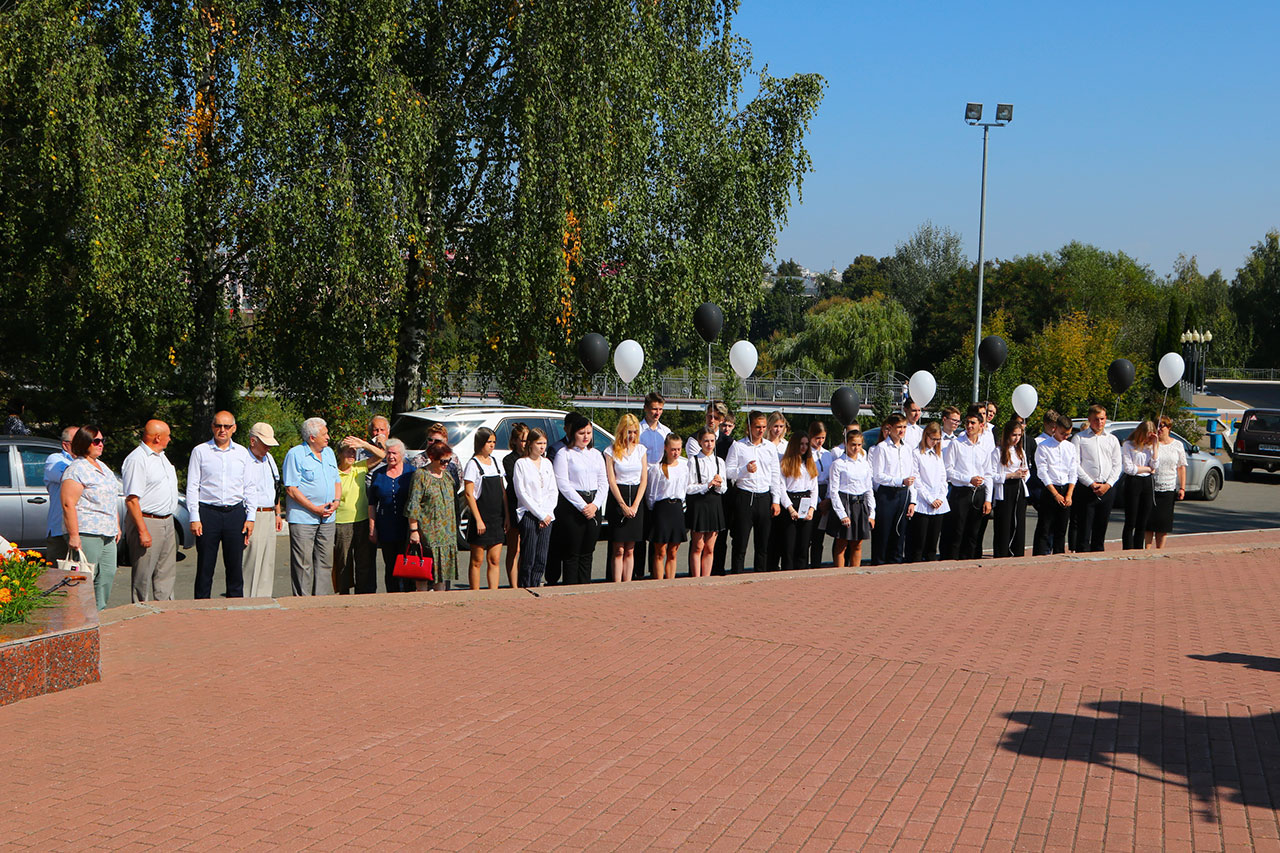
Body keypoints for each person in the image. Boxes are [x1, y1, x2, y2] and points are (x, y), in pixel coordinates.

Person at [187, 411, 254, 599]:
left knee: (235, 566)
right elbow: (192, 486)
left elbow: (249, 487)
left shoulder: (242, 453)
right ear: (212, 427)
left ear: (234, 428)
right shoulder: (200, 451)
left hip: (235, 513)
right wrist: (194, 517)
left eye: (226, 426)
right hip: (208, 513)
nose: (222, 430)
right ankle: (201, 608)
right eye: (218, 426)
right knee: (205, 567)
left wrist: (251, 518)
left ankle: (235, 609)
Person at [61, 425, 120, 609]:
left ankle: (99, 614)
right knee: (85, 578)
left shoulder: (103, 467)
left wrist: (116, 525)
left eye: (102, 440)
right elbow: (68, 503)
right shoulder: (76, 469)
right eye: (96, 441)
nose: (101, 444)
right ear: (84, 443)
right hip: (87, 531)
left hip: (108, 532)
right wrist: (74, 535)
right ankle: (80, 618)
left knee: (107, 574)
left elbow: (111, 498)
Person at [122, 419, 179, 602]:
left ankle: (164, 612)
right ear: (157, 438)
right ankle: (141, 611)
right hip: (148, 521)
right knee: (143, 573)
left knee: (166, 570)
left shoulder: (161, 456)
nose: (170, 439)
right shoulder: (137, 460)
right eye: (168, 435)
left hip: (167, 520)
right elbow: (132, 500)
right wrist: (143, 530)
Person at [283, 417, 341, 596]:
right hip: (303, 518)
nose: (328, 437)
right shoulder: (295, 454)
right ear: (312, 438)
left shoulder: (329, 453)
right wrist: (314, 508)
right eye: (324, 434)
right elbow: (291, 489)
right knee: (303, 563)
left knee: (325, 561)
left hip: (328, 518)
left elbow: (336, 481)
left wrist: (336, 502)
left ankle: (321, 602)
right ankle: (303, 602)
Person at [553, 412, 608, 585]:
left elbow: (603, 482)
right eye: (581, 433)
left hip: (593, 506)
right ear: (572, 433)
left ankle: (585, 587)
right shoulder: (564, 454)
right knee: (572, 553)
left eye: (589, 433)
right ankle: (569, 588)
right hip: (573, 507)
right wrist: (582, 505)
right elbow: (562, 483)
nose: (586, 437)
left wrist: (595, 505)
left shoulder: (596, 454)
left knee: (587, 552)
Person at [725, 411, 781, 573]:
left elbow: (775, 474)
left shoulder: (770, 447)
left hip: (764, 497)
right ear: (749, 427)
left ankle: (760, 577)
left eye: (764, 427)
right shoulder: (738, 446)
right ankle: (737, 576)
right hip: (744, 496)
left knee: (763, 544)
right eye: (757, 427)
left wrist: (776, 500)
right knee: (740, 543)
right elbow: (728, 472)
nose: (761, 430)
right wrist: (744, 470)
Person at [941, 406, 992, 561]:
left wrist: (988, 499)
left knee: (973, 533)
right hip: (961, 493)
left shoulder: (984, 447)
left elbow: (988, 474)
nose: (969, 426)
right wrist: (967, 478)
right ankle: (953, 562)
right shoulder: (956, 444)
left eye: (973, 423)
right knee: (957, 532)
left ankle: (969, 564)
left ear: (981, 426)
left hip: (978, 494)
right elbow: (948, 470)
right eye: (967, 423)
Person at [405, 441, 459, 591]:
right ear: (431, 457)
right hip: (427, 534)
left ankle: (440, 605)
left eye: (448, 460)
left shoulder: (447, 476)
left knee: (441, 576)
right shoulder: (421, 475)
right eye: (442, 461)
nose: (446, 464)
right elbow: (414, 504)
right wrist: (414, 530)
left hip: (446, 534)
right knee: (423, 573)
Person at [462, 427, 509, 590]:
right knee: (477, 560)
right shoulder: (473, 465)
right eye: (489, 442)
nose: (492, 445)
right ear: (481, 442)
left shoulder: (496, 462)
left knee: (494, 559)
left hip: (497, 518)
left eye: (494, 442)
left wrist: (507, 516)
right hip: (480, 519)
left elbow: (503, 491)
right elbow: (469, 494)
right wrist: (478, 520)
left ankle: (493, 594)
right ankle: (475, 594)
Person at [1071, 404, 1122, 553]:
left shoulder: (1112, 439)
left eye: (1102, 419)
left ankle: (1099, 557)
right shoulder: (1079, 438)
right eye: (1096, 419)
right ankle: (1082, 558)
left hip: (1106, 489)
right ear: (1089, 419)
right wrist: (1090, 483)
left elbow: (1117, 465)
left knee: (1101, 528)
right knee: (1084, 528)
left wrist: (1108, 484)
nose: (1099, 422)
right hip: (1087, 489)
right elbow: (1075, 464)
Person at [367, 438, 417, 592]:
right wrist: (372, 528)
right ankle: (392, 597)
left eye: (394, 453)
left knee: (408, 565)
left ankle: (409, 597)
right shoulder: (378, 474)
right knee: (391, 567)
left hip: (406, 526)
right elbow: (372, 503)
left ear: (402, 454)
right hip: (386, 527)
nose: (391, 456)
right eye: (388, 453)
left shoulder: (412, 472)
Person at [605, 413, 647, 582]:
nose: (632, 436)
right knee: (618, 548)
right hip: (618, 497)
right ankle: (616, 583)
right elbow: (611, 480)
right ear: (621, 431)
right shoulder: (610, 451)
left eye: (635, 432)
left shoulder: (641, 450)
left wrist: (636, 504)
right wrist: (622, 505)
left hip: (636, 496)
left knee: (630, 548)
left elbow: (644, 479)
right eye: (629, 432)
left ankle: (628, 583)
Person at [868, 414, 915, 565]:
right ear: (890, 428)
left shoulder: (907, 448)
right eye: (899, 427)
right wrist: (899, 481)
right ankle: (879, 562)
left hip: (903, 494)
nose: (902, 431)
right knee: (883, 533)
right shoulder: (882, 448)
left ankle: (895, 562)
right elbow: (878, 476)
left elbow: (911, 475)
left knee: (899, 532)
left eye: (904, 427)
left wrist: (912, 500)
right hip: (887, 494)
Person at [513, 428, 558, 588]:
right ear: (530, 444)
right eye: (539, 443)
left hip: (547, 515)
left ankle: (536, 583)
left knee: (541, 556)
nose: (542, 447)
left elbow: (553, 490)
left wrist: (546, 514)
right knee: (529, 556)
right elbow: (522, 492)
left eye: (544, 443)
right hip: (529, 514)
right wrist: (538, 514)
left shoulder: (547, 463)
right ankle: (526, 586)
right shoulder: (521, 463)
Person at [243, 423, 282, 599]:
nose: (268, 448)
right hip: (253, 513)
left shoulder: (269, 459)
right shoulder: (244, 460)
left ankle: (264, 597)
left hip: (268, 512)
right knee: (251, 559)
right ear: (253, 441)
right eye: (264, 444)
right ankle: (246, 599)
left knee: (268, 560)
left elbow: (276, 486)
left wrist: (277, 512)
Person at [828, 427, 875, 568]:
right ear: (846, 443)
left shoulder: (865, 464)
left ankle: (855, 574)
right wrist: (842, 514)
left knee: (857, 544)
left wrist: (872, 513)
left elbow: (868, 489)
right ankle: (839, 575)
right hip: (844, 503)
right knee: (841, 544)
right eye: (853, 444)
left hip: (860, 504)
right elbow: (833, 491)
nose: (856, 448)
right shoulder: (838, 464)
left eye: (859, 445)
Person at [1032, 414, 1078, 556]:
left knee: (1061, 528)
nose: (1065, 437)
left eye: (1068, 434)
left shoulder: (1070, 447)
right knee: (1045, 527)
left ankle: (1059, 555)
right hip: (1050, 489)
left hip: (1065, 488)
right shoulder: (1043, 446)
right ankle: (1040, 555)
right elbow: (1043, 472)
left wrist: (1069, 493)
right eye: (1063, 433)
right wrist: (1055, 494)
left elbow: (1073, 471)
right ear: (1055, 429)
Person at [333, 443, 375, 594]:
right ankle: (344, 594)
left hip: (362, 520)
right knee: (344, 562)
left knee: (363, 561)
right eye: (348, 452)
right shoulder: (333, 471)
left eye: (354, 452)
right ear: (339, 453)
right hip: (341, 522)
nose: (352, 455)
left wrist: (363, 444)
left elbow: (382, 455)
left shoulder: (360, 467)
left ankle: (361, 594)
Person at [636, 393, 670, 579]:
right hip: (642, 483)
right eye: (654, 409)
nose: (657, 413)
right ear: (646, 409)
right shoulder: (638, 431)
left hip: (660, 486)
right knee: (641, 531)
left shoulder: (666, 432)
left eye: (660, 409)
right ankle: (638, 571)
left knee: (656, 532)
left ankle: (653, 571)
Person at [685, 426, 727, 578]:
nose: (709, 444)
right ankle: (696, 578)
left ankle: (706, 578)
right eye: (706, 441)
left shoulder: (719, 461)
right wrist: (707, 485)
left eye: (711, 441)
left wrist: (719, 484)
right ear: (700, 442)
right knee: (698, 545)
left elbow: (724, 489)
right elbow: (688, 488)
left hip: (714, 503)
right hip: (699, 504)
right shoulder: (693, 461)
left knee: (710, 547)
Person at [775, 431, 819, 571]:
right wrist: (790, 508)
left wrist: (812, 508)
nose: (804, 447)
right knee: (789, 546)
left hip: (806, 501)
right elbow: (781, 487)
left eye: (806, 444)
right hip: (790, 502)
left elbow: (814, 488)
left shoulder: (810, 464)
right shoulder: (784, 463)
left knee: (804, 545)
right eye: (801, 444)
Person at [647, 434, 689, 580]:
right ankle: (658, 582)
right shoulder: (656, 469)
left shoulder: (684, 467)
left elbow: (684, 490)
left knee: (673, 551)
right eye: (673, 449)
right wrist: (655, 511)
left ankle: (671, 582)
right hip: (661, 510)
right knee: (660, 551)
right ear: (665, 448)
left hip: (677, 509)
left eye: (678, 449)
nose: (676, 453)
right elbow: (651, 494)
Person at [907, 423, 948, 562]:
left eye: (938, 439)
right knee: (919, 542)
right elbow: (916, 479)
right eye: (933, 439)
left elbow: (943, 477)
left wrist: (941, 497)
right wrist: (930, 499)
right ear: (926, 436)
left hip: (938, 502)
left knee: (932, 542)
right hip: (923, 502)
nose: (935, 442)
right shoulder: (916, 453)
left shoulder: (938, 455)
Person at [991, 419, 1030, 558]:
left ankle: (1017, 551)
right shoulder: (998, 451)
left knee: (1018, 522)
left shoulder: (1021, 451)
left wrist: (1024, 474)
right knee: (1004, 523)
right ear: (1007, 434)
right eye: (1014, 435)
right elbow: (993, 475)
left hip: (1019, 488)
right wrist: (1011, 475)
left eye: (1019, 435)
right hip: (1005, 489)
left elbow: (1026, 470)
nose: (1016, 438)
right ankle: (1002, 552)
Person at [1147, 416, 1187, 549]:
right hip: (1151, 486)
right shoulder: (1152, 444)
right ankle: (1146, 549)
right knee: (1149, 522)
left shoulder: (1177, 445)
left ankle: (1160, 549)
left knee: (1163, 523)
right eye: (1157, 426)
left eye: (1162, 426)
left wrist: (1182, 487)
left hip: (1168, 487)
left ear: (1169, 428)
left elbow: (1181, 467)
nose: (1159, 429)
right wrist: (1153, 442)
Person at [1120, 421, 1156, 550]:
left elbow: (1155, 466)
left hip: (1147, 483)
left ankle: (1139, 549)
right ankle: (1127, 549)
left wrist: (1155, 445)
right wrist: (1147, 468)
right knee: (1131, 520)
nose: (1147, 439)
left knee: (1143, 520)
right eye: (1146, 436)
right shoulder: (1128, 445)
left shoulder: (1150, 448)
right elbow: (1129, 469)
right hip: (1133, 482)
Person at [43, 426, 78, 561]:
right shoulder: (55, 460)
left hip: (82, 529)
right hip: (60, 529)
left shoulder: (89, 462)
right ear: (65, 445)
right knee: (56, 575)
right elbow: (72, 479)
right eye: (78, 440)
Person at [502, 422, 529, 588]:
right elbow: (515, 482)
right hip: (514, 504)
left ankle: (524, 580)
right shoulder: (509, 460)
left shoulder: (533, 458)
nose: (525, 444)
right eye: (522, 440)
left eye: (527, 440)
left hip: (530, 507)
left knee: (527, 549)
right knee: (514, 548)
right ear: (514, 441)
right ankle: (513, 585)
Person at [808, 421, 834, 568]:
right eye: (817, 437)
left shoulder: (827, 454)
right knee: (808, 535)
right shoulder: (806, 454)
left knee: (819, 537)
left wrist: (828, 499)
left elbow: (832, 477)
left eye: (823, 438)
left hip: (825, 493)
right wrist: (817, 501)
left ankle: (816, 565)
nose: (820, 441)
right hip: (812, 493)